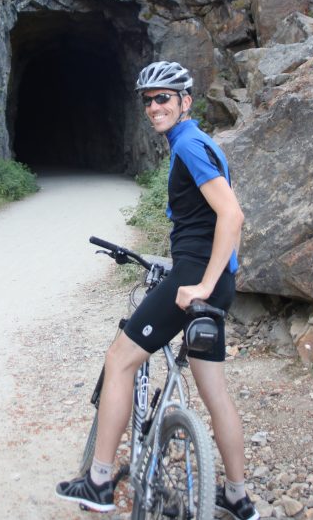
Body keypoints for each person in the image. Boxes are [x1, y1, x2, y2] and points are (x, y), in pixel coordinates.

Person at [56, 60, 259, 520]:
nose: (153, 107)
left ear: (185, 101)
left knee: (119, 360)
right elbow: (209, 225)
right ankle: (236, 495)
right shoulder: (200, 144)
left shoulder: (188, 144)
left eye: (163, 98)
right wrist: (214, 281)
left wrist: (199, 283)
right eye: (147, 100)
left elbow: (232, 215)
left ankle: (100, 481)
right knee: (215, 393)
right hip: (218, 280)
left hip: (196, 278)